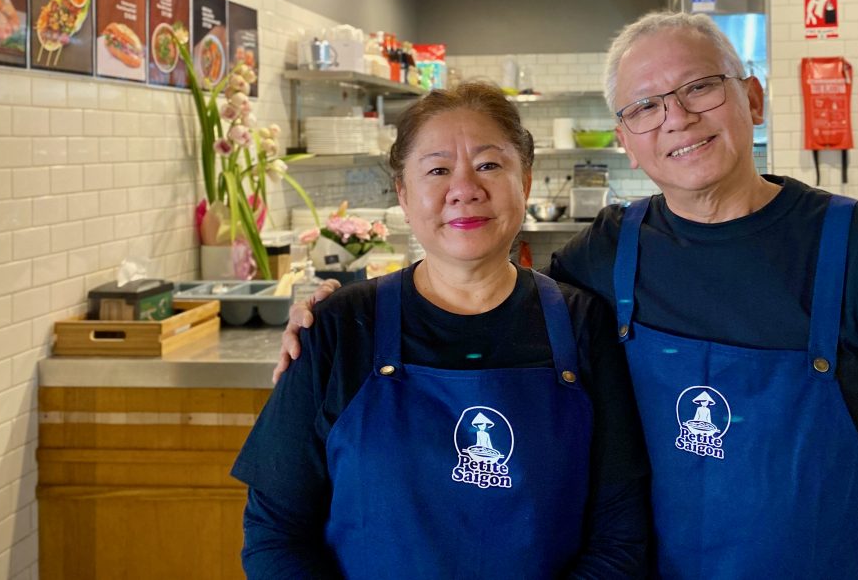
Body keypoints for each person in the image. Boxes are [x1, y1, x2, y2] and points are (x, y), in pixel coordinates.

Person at [279, 12, 858, 579]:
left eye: (699, 87)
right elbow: (486, 311)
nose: (677, 118)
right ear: (625, 140)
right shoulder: (606, 254)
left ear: (751, 97)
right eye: (645, 106)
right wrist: (336, 321)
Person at [236, 82, 649, 578]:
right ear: (404, 195)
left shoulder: (584, 324)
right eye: (437, 170)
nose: (465, 189)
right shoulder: (340, 326)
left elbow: (621, 532)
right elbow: (274, 534)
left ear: (528, 183)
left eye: (490, 165)